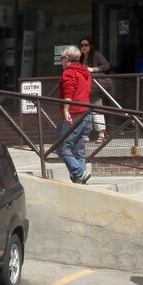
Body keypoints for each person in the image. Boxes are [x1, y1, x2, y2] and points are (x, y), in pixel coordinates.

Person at [53, 45, 93, 185]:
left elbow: (69, 93)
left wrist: (65, 111)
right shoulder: (85, 72)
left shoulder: (69, 72)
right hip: (86, 113)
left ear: (67, 58)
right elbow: (87, 92)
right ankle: (79, 181)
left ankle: (79, 173)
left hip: (74, 113)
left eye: (62, 58)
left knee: (61, 144)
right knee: (78, 148)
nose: (61, 61)